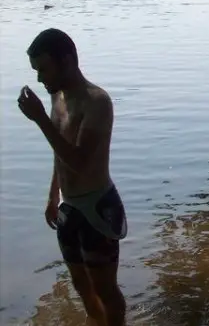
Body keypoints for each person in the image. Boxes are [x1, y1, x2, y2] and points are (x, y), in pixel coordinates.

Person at [17, 28, 127, 326]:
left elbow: (79, 160)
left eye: (43, 69)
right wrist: (53, 196)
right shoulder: (58, 98)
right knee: (81, 287)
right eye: (36, 71)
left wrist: (40, 118)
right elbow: (60, 150)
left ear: (66, 61)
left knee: (106, 290)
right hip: (69, 207)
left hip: (97, 208)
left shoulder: (97, 101)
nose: (40, 79)